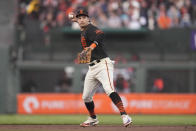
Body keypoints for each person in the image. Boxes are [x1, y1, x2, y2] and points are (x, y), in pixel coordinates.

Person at [69, 8, 132, 127]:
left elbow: (101, 34)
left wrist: (92, 47)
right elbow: (79, 21)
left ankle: (125, 115)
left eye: (84, 17)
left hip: (103, 65)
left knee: (109, 89)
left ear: (89, 19)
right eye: (80, 18)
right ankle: (93, 118)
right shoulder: (84, 28)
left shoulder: (91, 28)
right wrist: (74, 19)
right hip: (92, 68)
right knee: (86, 97)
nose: (82, 20)